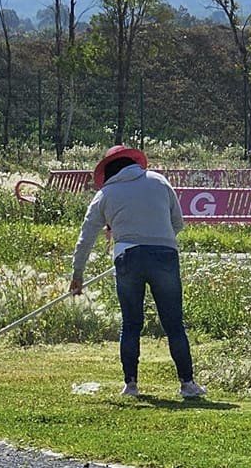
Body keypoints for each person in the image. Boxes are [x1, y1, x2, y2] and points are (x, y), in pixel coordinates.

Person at [69, 145, 205, 400]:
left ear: (108, 171)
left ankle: (130, 385)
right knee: (174, 323)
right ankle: (188, 384)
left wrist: (78, 275)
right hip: (164, 255)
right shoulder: (159, 181)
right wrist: (156, 238)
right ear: (134, 162)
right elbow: (178, 223)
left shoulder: (105, 194)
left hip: (127, 257)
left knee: (131, 323)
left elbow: (85, 238)